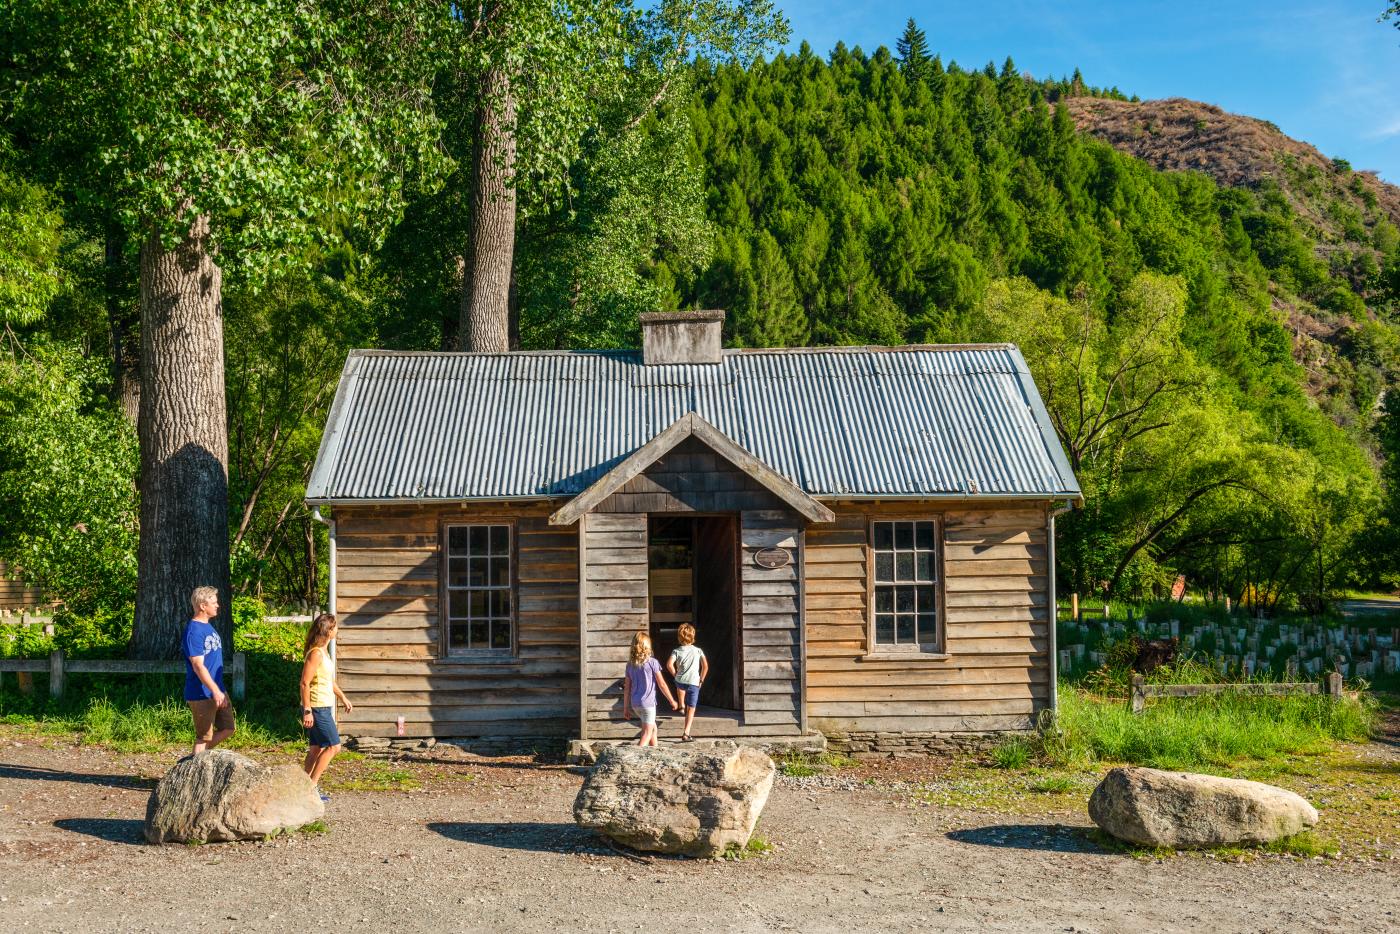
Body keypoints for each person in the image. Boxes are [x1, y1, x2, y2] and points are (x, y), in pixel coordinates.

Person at [300, 613, 352, 801]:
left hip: (323, 706)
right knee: (334, 746)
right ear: (329, 630)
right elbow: (305, 683)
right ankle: (312, 786)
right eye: (335, 626)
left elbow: (329, 681)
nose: (337, 630)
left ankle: (303, 787)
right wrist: (307, 710)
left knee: (315, 748)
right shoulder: (315, 653)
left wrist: (343, 698)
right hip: (316, 708)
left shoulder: (324, 652)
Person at [183, 586, 235, 756]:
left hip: (217, 690)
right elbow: (198, 665)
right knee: (203, 737)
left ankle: (193, 760)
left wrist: (218, 690)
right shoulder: (194, 631)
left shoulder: (208, 627)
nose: (218, 605)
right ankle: (191, 772)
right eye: (214, 602)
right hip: (202, 693)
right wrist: (214, 690)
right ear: (203, 606)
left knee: (228, 728)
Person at [622, 631, 677, 747]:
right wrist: (672, 700)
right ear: (648, 646)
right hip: (648, 704)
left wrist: (626, 707)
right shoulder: (653, 662)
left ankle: (655, 755)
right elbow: (662, 684)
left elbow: (627, 688)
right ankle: (634, 758)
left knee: (653, 730)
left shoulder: (630, 665)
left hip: (635, 704)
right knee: (647, 733)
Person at [666, 623, 709, 742]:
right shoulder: (698, 651)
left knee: (680, 686)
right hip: (694, 682)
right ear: (693, 635)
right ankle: (686, 733)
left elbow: (669, 665)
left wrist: (675, 674)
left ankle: (681, 704)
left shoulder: (676, 651)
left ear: (679, 636)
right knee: (691, 708)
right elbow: (705, 666)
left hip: (680, 680)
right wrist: (701, 680)